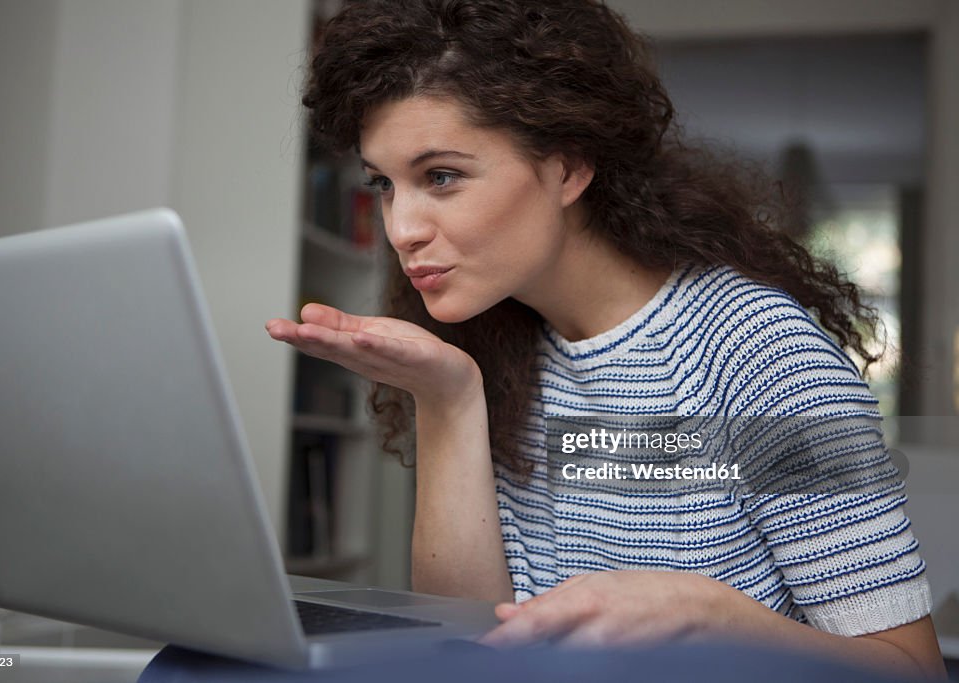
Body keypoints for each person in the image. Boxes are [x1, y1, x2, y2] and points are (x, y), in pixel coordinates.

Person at [266, 0, 945, 678]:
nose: (402, 227)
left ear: (568, 168)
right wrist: (447, 399)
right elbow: (468, 655)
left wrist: (711, 616)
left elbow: (910, 671)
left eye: (440, 176)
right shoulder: (495, 345)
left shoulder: (761, 354)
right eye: (384, 184)